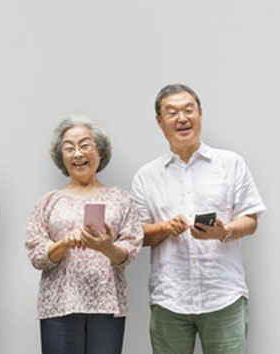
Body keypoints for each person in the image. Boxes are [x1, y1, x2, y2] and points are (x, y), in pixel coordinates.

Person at [131, 84, 266, 354]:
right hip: (170, 298)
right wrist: (164, 228)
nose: (182, 118)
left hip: (223, 295)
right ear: (159, 121)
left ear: (200, 114)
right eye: (172, 112)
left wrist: (224, 230)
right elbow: (137, 236)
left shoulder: (231, 163)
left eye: (188, 110)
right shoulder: (146, 176)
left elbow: (251, 221)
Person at [25, 115, 143, 354]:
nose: (77, 153)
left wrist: (106, 246)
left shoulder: (121, 199)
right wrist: (63, 244)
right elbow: (36, 254)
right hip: (59, 305)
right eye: (69, 148)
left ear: (99, 152)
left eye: (85, 145)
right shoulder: (48, 201)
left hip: (107, 304)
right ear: (62, 158)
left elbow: (130, 251)